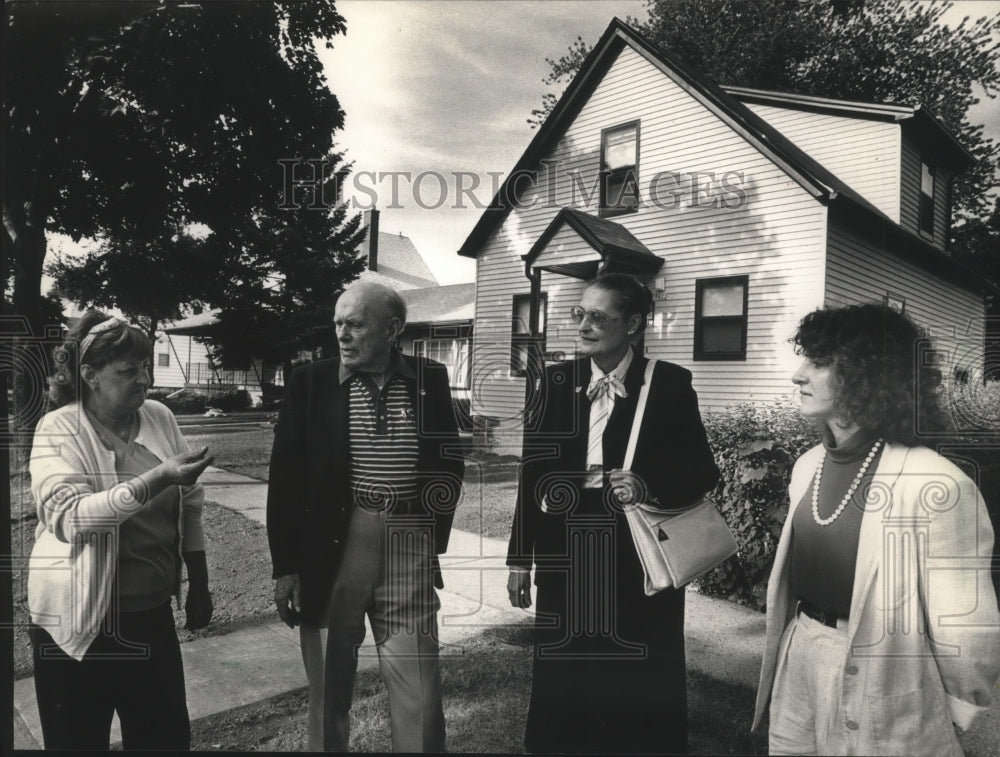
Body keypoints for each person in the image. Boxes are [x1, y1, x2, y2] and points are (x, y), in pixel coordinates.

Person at [753, 303, 1000, 756]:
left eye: (820, 361)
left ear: (868, 374)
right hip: (801, 654)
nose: (799, 374)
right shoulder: (808, 466)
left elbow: (967, 626)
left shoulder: (936, 482)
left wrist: (953, 706)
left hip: (887, 676)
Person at [506, 273, 721, 754]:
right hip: (567, 554)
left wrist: (650, 484)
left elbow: (702, 470)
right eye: (579, 313)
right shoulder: (554, 381)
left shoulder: (667, 383)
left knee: (637, 682)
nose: (584, 325)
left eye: (599, 316)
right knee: (565, 681)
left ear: (634, 324)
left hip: (637, 559)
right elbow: (531, 474)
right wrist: (521, 558)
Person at [266, 281, 464, 752]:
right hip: (333, 548)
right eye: (338, 324)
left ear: (392, 329)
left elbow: (447, 463)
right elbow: (286, 478)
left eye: (354, 324)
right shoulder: (310, 383)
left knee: (419, 688)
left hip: (407, 544)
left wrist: (427, 536)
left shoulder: (428, 379)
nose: (342, 335)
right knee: (328, 693)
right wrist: (286, 566)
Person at [27, 310, 214, 750]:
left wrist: (199, 583)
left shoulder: (159, 417)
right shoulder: (58, 429)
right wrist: (157, 479)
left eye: (146, 367)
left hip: (151, 619)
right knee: (78, 743)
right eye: (128, 370)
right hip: (75, 628)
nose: (144, 379)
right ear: (89, 374)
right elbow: (72, 519)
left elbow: (191, 502)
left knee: (163, 742)